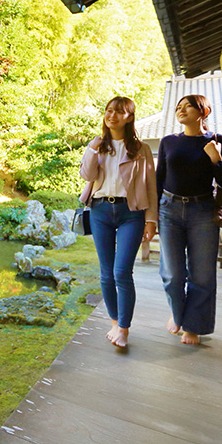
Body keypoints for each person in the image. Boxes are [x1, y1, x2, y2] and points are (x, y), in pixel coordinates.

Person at [156, 94, 222, 345]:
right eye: (178, 107)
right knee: (172, 272)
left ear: (203, 112)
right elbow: (159, 179)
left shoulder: (219, 141)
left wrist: (216, 158)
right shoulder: (168, 142)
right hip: (169, 209)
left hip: (202, 210)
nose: (180, 110)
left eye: (187, 106)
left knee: (201, 274)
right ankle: (178, 314)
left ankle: (192, 326)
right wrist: (151, 216)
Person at [80, 96, 158, 348]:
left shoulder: (141, 149)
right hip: (100, 211)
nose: (112, 115)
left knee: (122, 271)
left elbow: (150, 187)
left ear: (130, 117)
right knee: (106, 273)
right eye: (109, 110)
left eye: (119, 112)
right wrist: (92, 150)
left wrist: (151, 220)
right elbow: (87, 175)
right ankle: (114, 322)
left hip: (130, 213)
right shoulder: (97, 145)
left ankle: (124, 328)